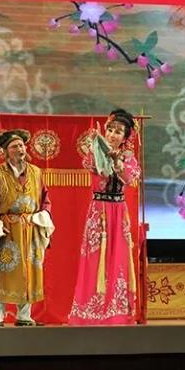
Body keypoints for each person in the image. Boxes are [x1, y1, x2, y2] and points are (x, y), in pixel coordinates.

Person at [68, 109, 141, 325]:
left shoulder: (129, 159)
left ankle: (116, 312)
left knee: (118, 259)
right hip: (99, 211)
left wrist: (118, 162)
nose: (112, 134)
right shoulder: (95, 153)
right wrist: (100, 148)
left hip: (118, 212)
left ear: (125, 137)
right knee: (94, 259)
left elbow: (128, 178)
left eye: (118, 132)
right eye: (110, 130)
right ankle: (90, 311)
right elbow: (97, 169)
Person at [0, 129, 54, 326]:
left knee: (30, 270)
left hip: (31, 228)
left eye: (21, 145)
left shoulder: (36, 172)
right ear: (6, 151)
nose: (20, 149)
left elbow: (45, 201)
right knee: (4, 271)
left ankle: (24, 316)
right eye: (14, 146)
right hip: (7, 229)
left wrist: (42, 218)